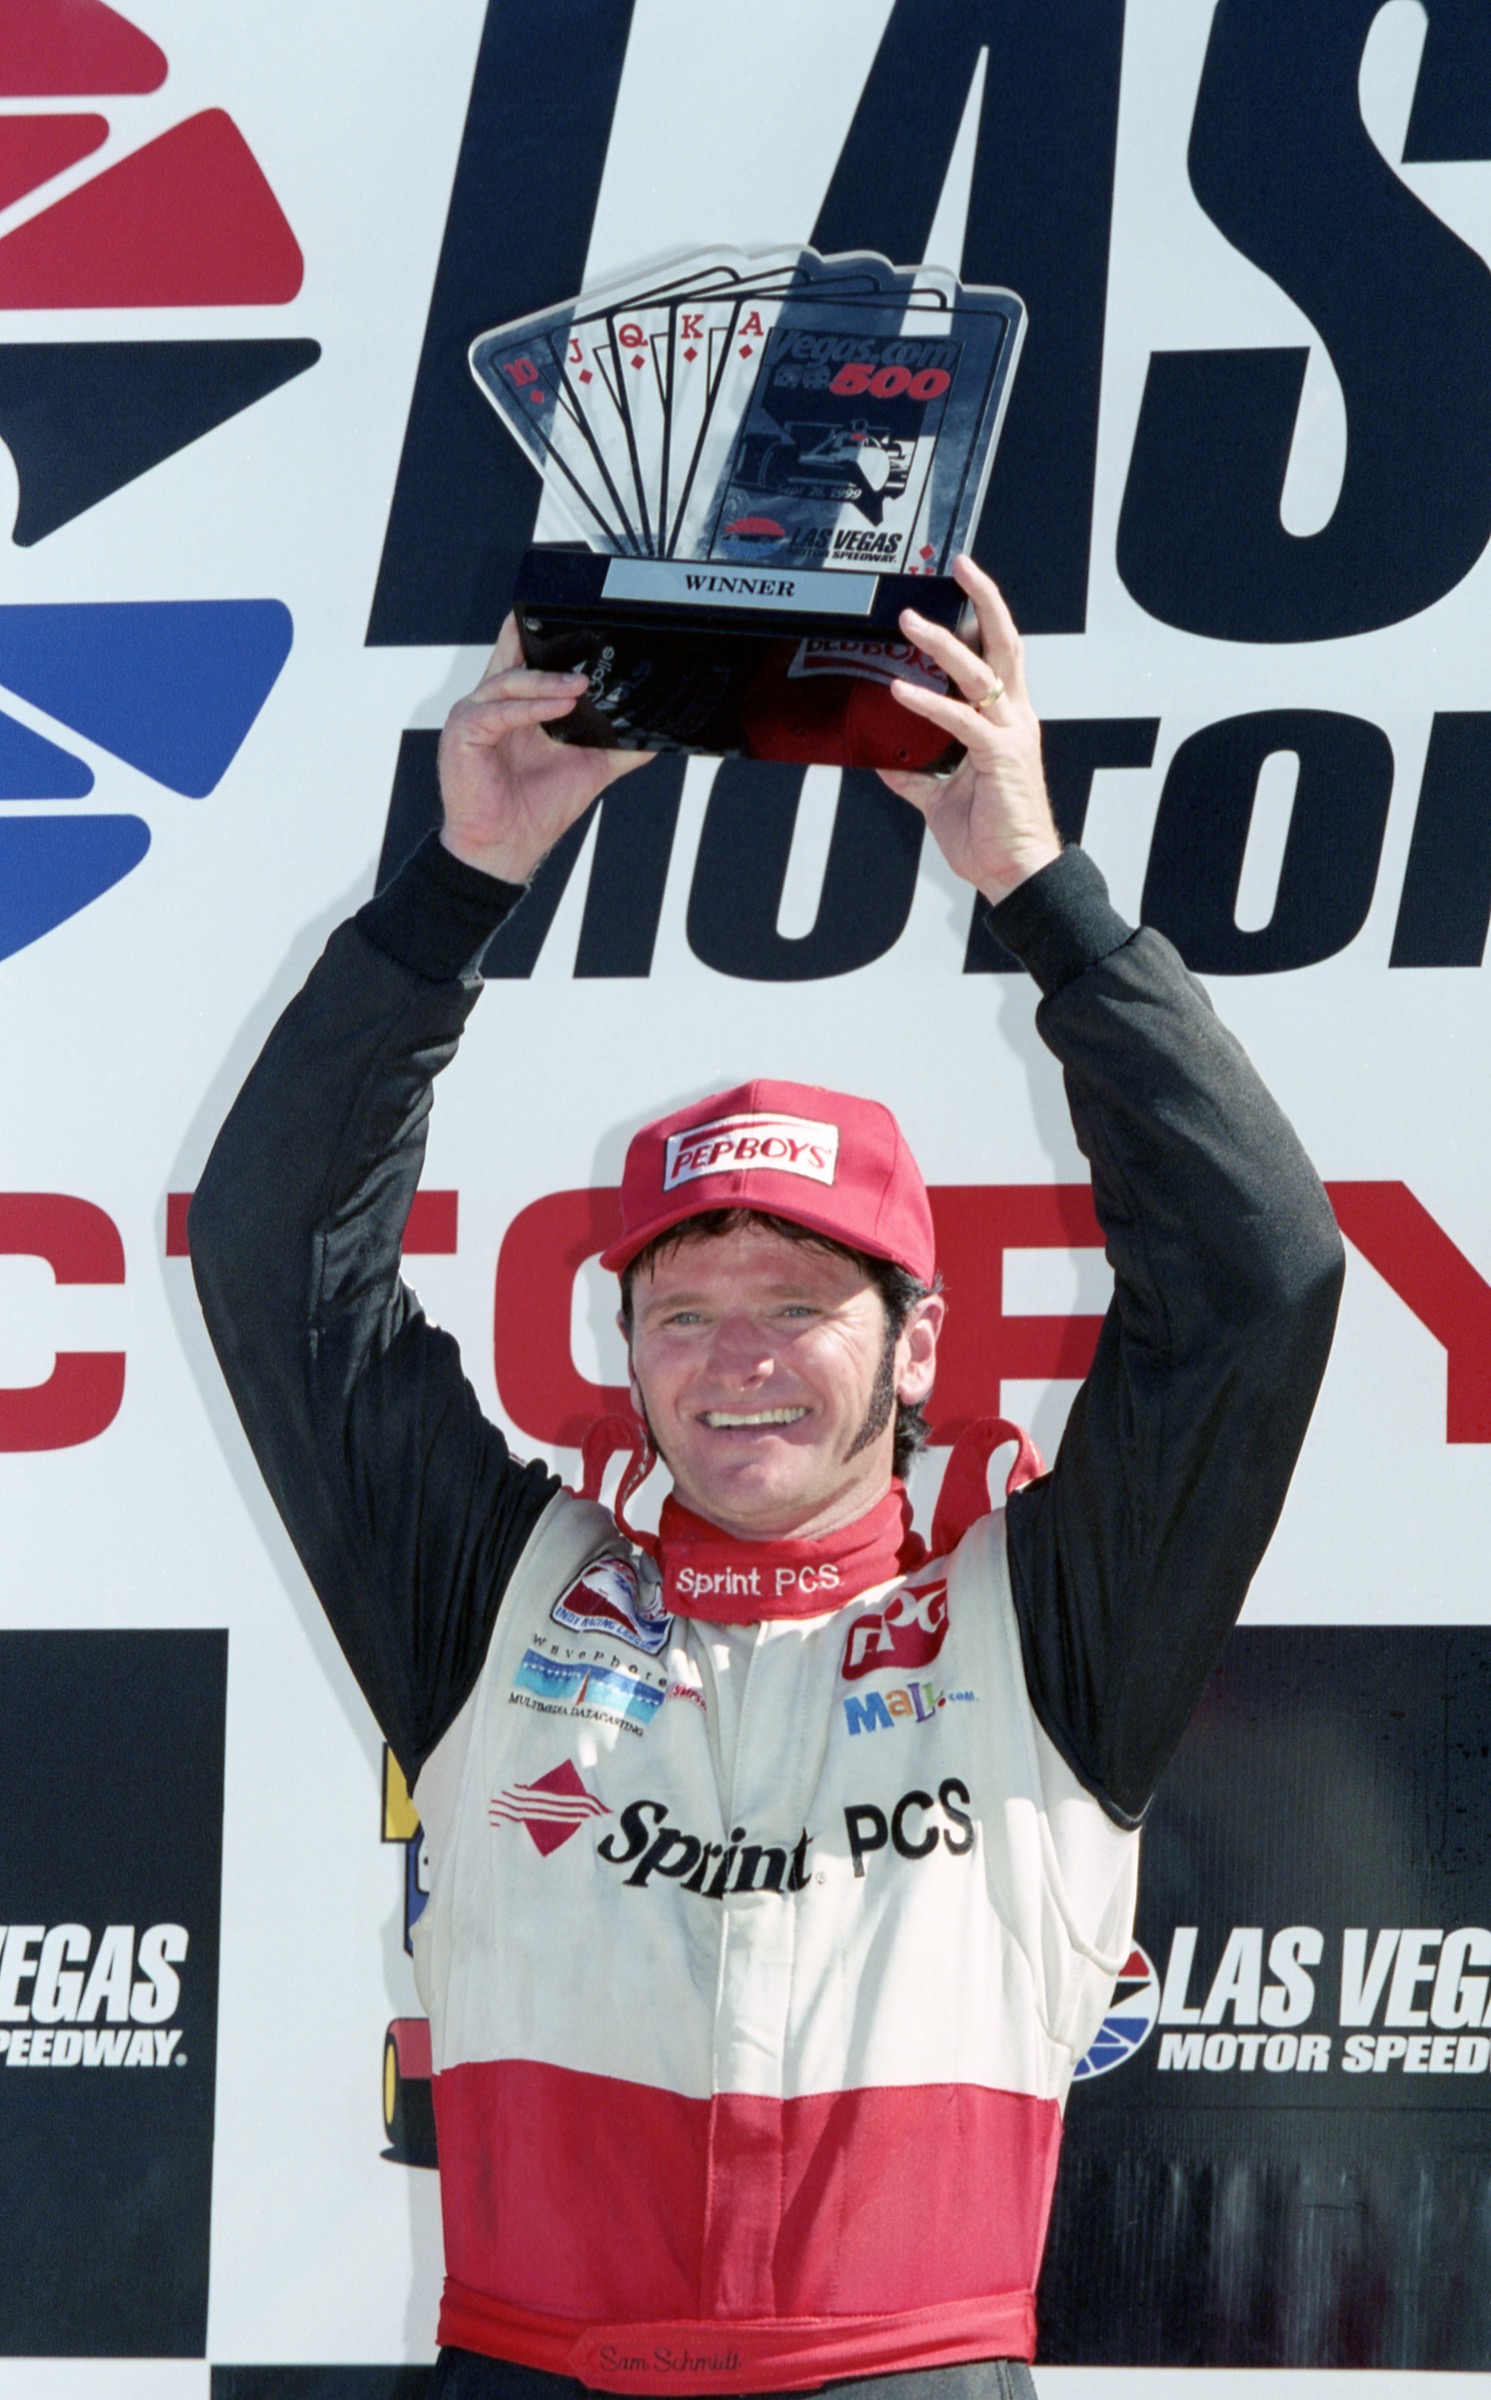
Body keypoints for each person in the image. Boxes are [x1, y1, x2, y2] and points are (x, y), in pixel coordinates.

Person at [189, 559, 1344, 2400]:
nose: (737, 1358)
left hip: (912, 2368)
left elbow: (1258, 1282)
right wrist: (456, 885)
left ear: (919, 1345)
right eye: (683, 1308)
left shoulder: (1048, 1625)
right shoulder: (493, 1600)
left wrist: (1041, 898)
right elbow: (274, 1258)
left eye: (800, 1302)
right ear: (623, 1348)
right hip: (526, 2364)